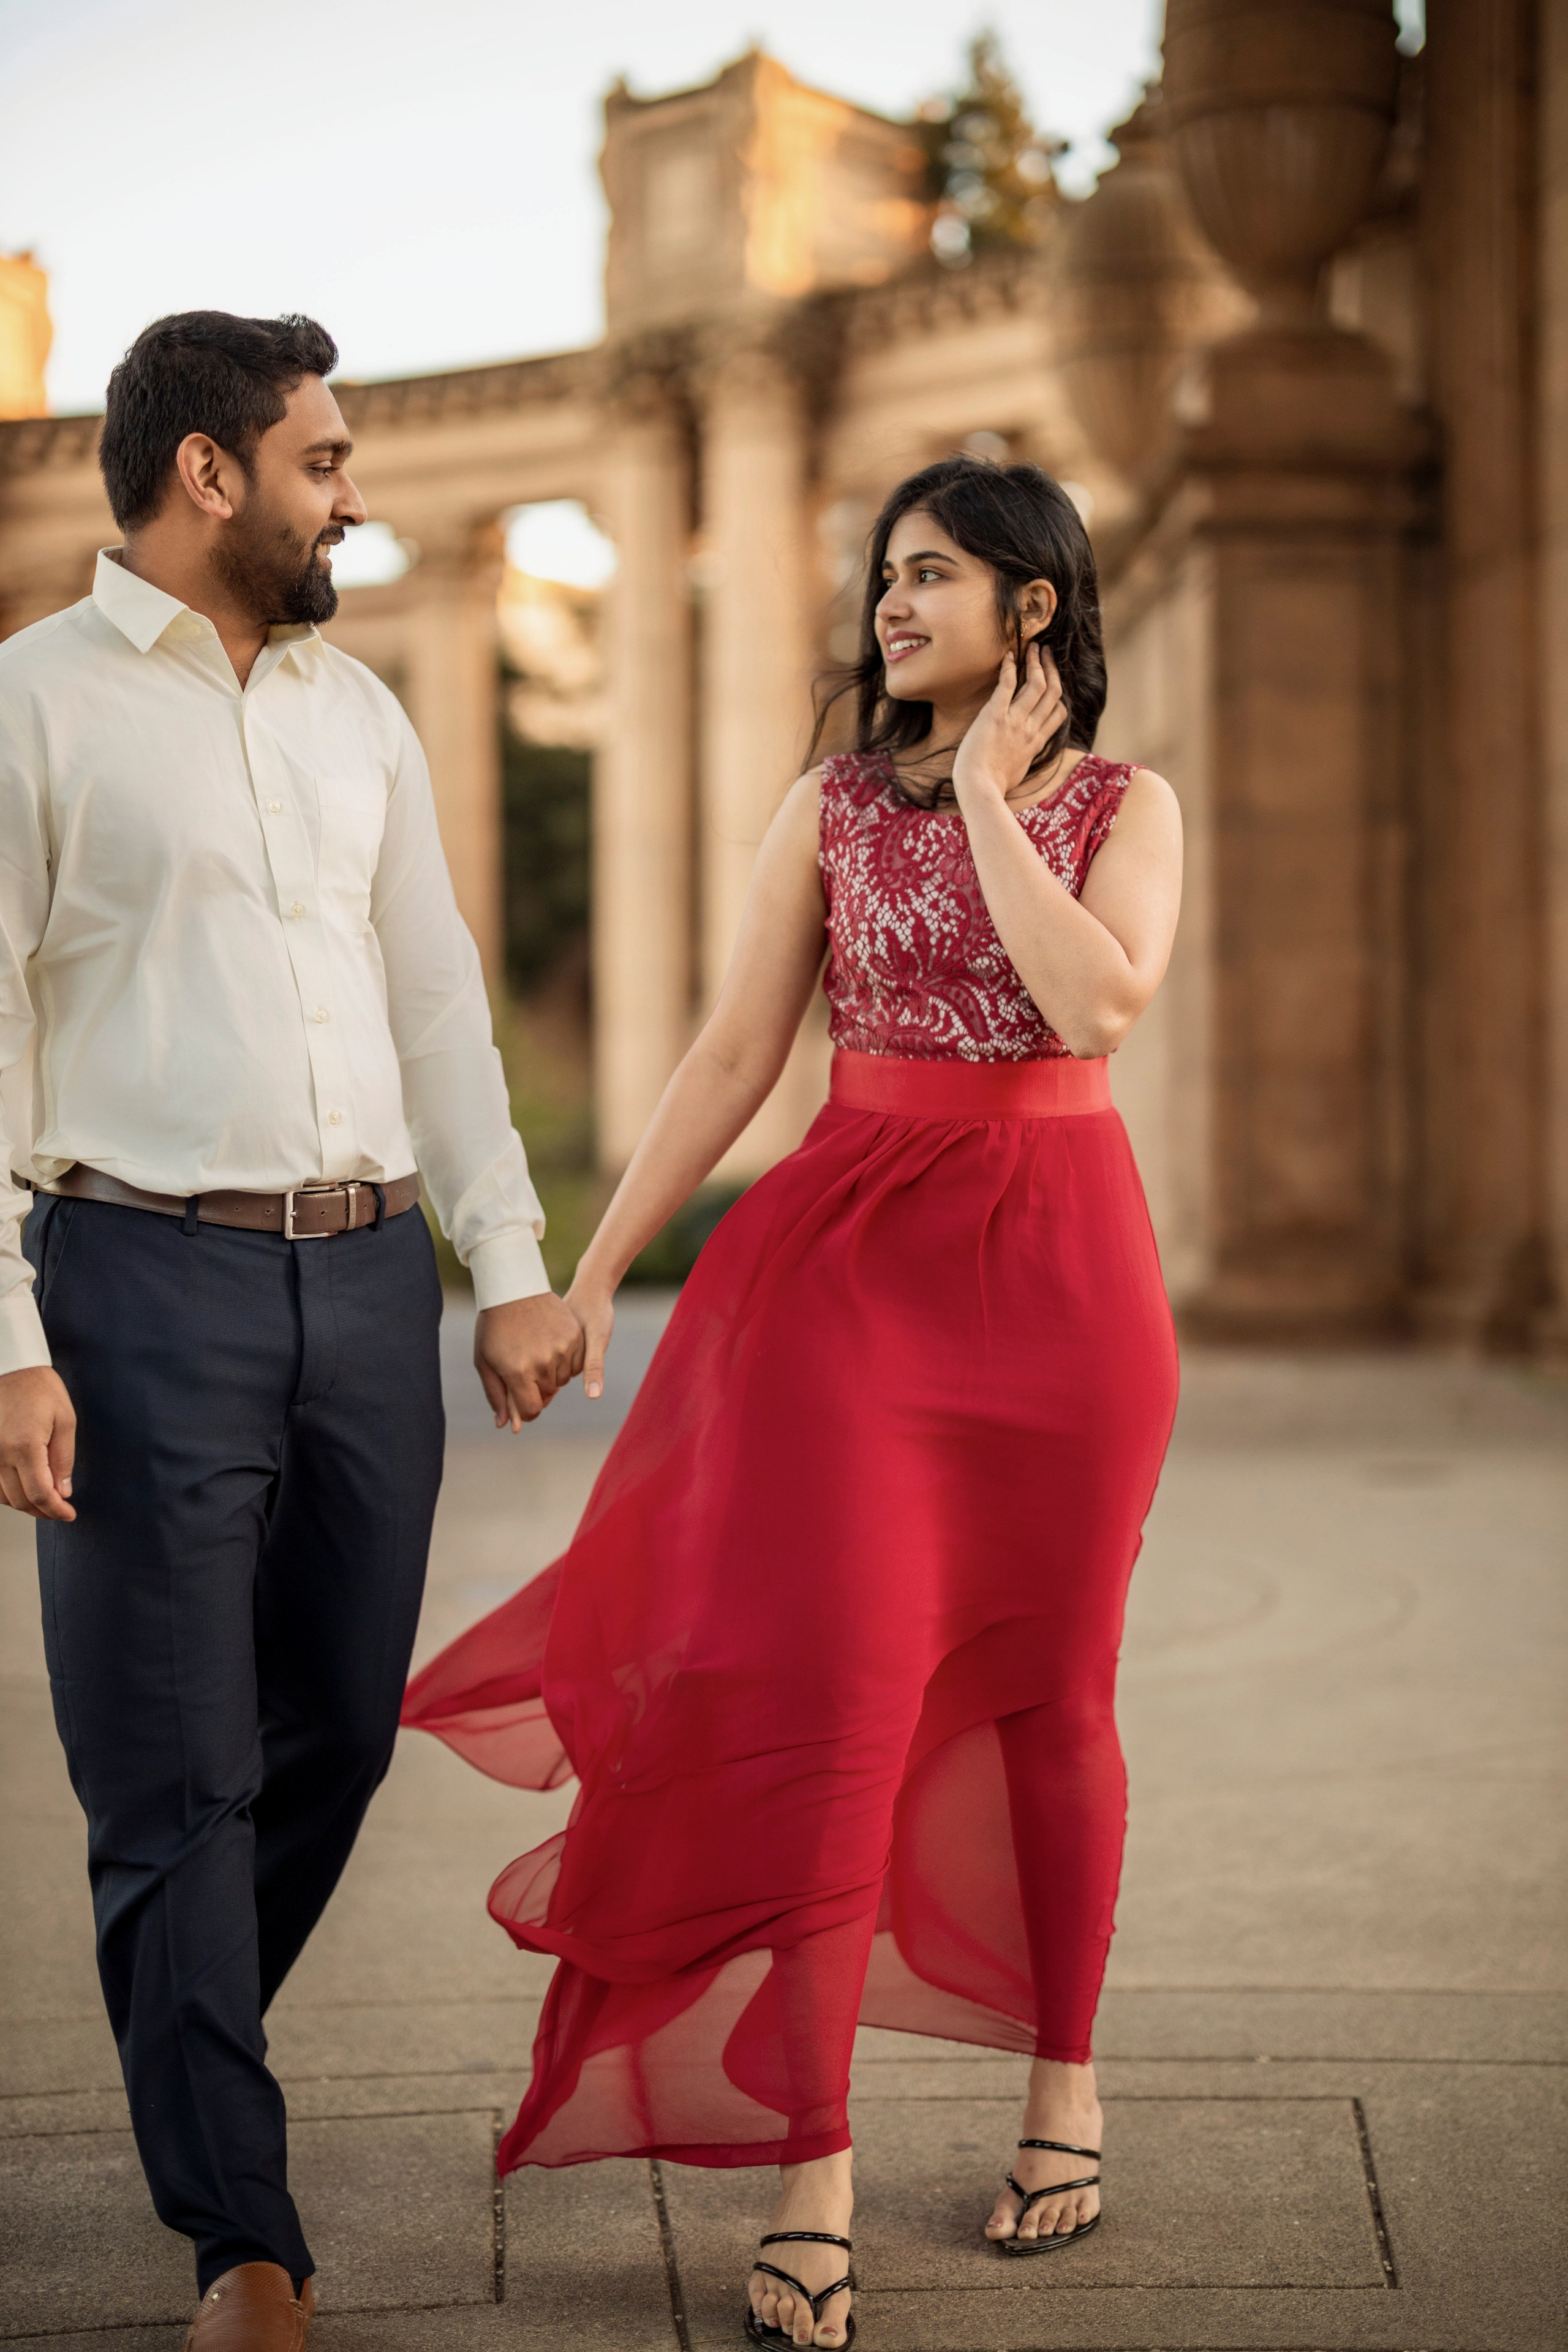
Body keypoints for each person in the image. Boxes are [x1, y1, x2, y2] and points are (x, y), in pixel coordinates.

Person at [404, 454, 1183, 2351]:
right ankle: (811, 2163)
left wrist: (995, 800)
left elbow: (1096, 1008)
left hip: (1068, 1295)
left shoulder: (1123, 805)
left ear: (1033, 609)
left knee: (1057, 1696)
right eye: (884, 577)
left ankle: (1061, 2094)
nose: (891, 606)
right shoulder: (828, 804)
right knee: (835, 1709)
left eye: (934, 577)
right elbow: (741, 1050)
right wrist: (592, 1277)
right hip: (846, 1290)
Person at [0, 312, 582, 2351]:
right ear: (210, 475)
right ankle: (243, 2238)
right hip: (136, 1283)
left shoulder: (360, 720)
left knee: (334, 1722)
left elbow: (436, 996)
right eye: (324, 459)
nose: (358, 489)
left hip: (364, 1285)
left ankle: (181, 2014)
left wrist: (503, 1259)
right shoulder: (32, 708)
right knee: (170, 1777)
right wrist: (7, 1336)